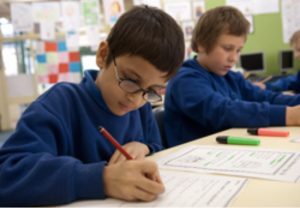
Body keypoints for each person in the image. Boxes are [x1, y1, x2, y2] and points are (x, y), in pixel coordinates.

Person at [0, 6, 185, 206]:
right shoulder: (60, 104)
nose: (136, 99)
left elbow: (156, 147)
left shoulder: (141, 109)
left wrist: (145, 147)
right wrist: (101, 179)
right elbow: (7, 173)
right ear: (103, 55)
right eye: (130, 80)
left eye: (151, 91)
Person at [164, 6, 300, 147]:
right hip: (192, 159)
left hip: (227, 153)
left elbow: (266, 97)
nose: (234, 58)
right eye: (227, 49)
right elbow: (222, 111)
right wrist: (288, 115)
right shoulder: (185, 80)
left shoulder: (231, 77)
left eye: (238, 50)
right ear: (201, 45)